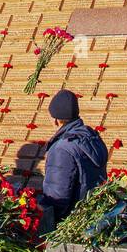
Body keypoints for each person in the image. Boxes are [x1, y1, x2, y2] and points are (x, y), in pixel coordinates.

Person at [40, 89, 108, 227]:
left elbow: (58, 195)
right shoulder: (90, 138)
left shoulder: (62, 148)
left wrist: (46, 220)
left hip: (71, 222)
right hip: (91, 216)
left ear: (55, 119)